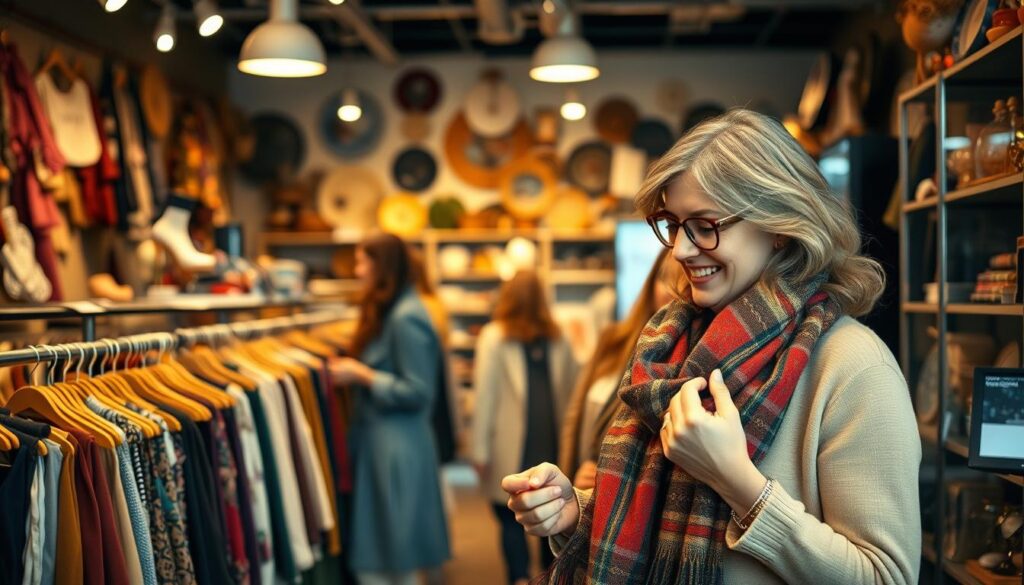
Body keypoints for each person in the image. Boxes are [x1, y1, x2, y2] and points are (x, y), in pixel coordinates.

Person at [502, 109, 922, 585]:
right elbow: (653, 517)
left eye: (704, 225)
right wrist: (575, 511)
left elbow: (885, 577)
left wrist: (740, 484)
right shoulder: (673, 343)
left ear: (779, 225)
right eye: (673, 224)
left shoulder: (854, 366)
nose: (680, 249)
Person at [329, 232, 450, 585]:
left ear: (382, 266)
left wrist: (363, 375)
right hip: (387, 445)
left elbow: (419, 390)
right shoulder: (395, 311)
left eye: (362, 261)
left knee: (393, 560)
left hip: (398, 448)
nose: (357, 270)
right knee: (387, 554)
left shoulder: (406, 317)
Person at [472, 270, 580, 585]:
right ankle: (549, 577)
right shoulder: (557, 335)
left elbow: (484, 398)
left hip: (510, 446)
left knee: (509, 519)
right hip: (550, 442)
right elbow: (574, 389)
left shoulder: (494, 335)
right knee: (552, 515)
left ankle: (518, 577)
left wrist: (479, 451)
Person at [558, 248, 682, 490]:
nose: (670, 290)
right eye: (664, 278)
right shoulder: (613, 340)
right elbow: (574, 417)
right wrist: (567, 481)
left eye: (681, 282)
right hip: (579, 488)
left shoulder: (684, 362)